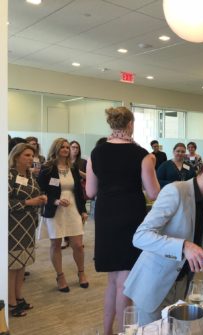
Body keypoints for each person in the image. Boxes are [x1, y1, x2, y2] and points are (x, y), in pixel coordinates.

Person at [124, 152, 203, 325]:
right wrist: (184, 246)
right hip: (154, 286)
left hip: (181, 284)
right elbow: (140, 236)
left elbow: (186, 236)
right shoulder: (175, 191)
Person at [86, 106, 160, 335]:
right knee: (125, 281)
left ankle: (108, 330)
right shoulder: (143, 156)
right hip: (130, 215)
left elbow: (90, 192)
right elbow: (154, 193)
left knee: (112, 281)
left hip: (106, 215)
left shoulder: (95, 154)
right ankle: (122, 332)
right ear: (130, 124)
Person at [38, 138, 89, 293]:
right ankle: (60, 276)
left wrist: (83, 210)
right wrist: (55, 201)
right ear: (56, 149)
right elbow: (41, 191)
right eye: (63, 147)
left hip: (73, 209)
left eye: (68, 147)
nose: (66, 149)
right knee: (56, 244)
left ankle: (81, 272)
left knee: (78, 245)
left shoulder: (72, 168)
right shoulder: (47, 168)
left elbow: (79, 192)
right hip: (55, 210)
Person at [8, 143, 47, 317]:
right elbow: (5, 202)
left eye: (32, 155)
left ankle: (18, 296)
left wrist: (42, 198)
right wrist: (29, 202)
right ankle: (10, 303)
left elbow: (34, 193)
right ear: (16, 157)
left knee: (22, 263)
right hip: (12, 226)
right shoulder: (8, 175)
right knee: (12, 265)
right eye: (27, 155)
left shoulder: (30, 175)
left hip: (28, 225)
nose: (31, 158)